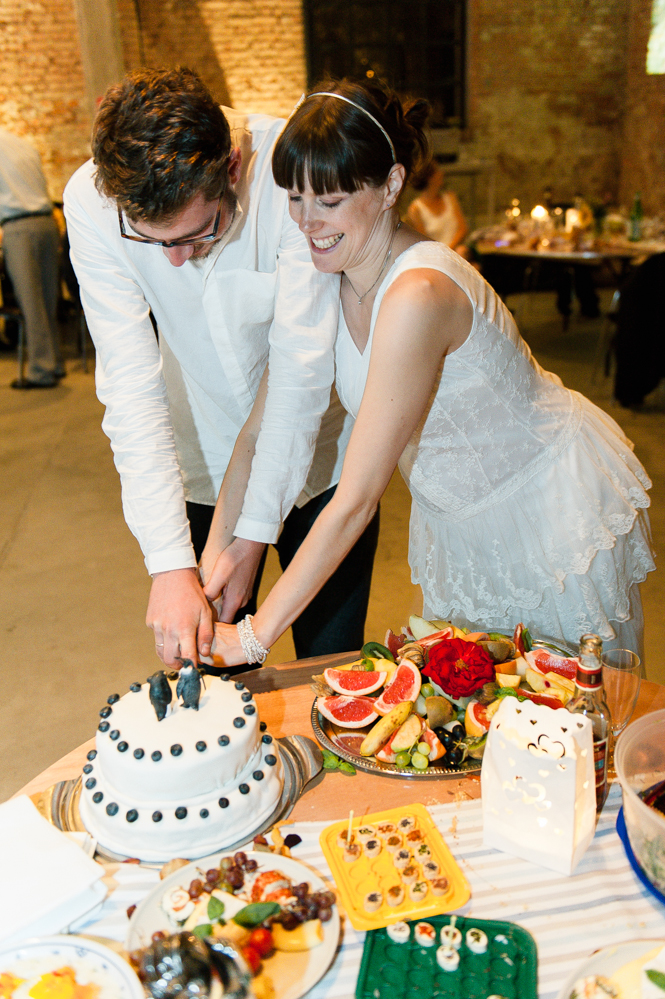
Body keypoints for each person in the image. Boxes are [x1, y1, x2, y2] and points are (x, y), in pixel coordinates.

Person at [205, 79, 655, 669]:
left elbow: (358, 498)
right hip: (459, 526)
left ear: (390, 185)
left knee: (563, 727)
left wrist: (255, 637)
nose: (307, 223)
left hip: (544, 512)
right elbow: (262, 428)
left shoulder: (418, 293)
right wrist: (212, 562)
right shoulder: (322, 273)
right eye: (295, 198)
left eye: (330, 201)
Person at [64, 68, 379, 669]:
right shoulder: (90, 199)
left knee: (335, 667)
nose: (176, 262)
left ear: (231, 168)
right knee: (215, 688)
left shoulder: (293, 168)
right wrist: (169, 563)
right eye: (154, 243)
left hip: (322, 458)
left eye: (196, 233)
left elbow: (299, 373)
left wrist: (255, 533)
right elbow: (129, 385)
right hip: (203, 462)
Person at [0, 127, 64, 388]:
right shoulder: (22, 143)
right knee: (48, 299)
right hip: (47, 223)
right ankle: (55, 362)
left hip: (18, 228)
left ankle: (41, 370)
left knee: (31, 302)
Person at [405, 159, 468, 256]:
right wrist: (443, 253)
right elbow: (424, 242)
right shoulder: (416, 209)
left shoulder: (450, 198)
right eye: (437, 171)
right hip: (435, 255)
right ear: (429, 178)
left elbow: (463, 229)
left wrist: (450, 250)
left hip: (456, 251)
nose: (441, 173)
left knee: (462, 250)